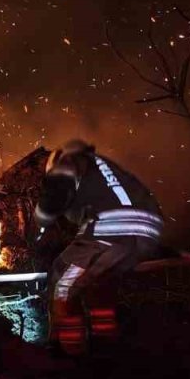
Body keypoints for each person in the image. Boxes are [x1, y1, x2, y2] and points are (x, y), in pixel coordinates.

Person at [34, 140, 162, 356]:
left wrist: (41, 219)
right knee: (98, 284)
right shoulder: (104, 169)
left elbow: (51, 204)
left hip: (111, 228)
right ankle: (104, 349)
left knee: (62, 278)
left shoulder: (67, 162)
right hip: (144, 228)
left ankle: (64, 350)